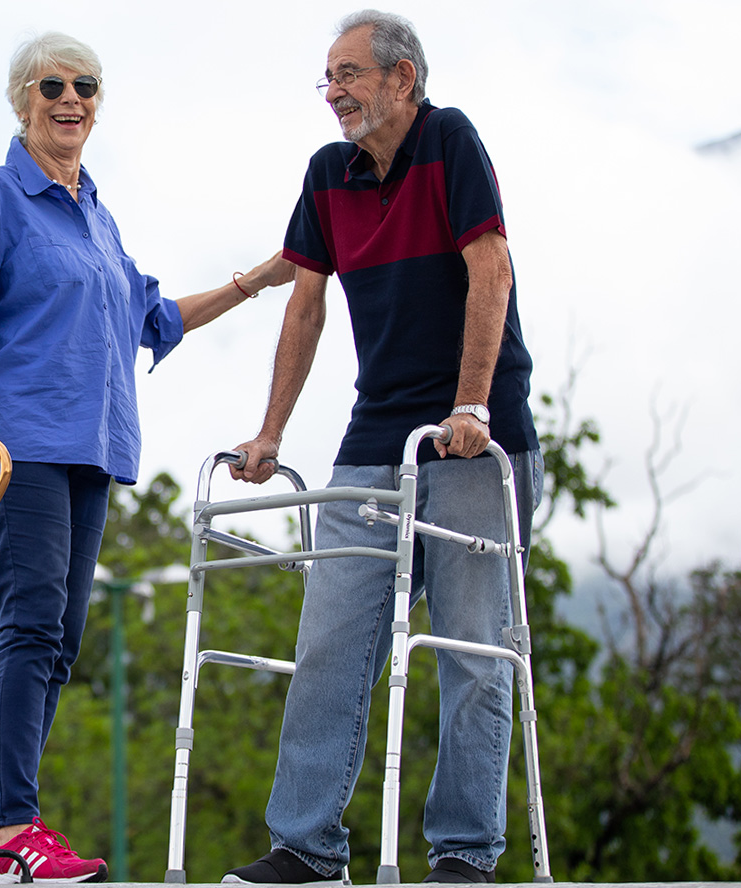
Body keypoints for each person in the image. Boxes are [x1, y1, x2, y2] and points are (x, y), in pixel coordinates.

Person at [0, 30, 295, 885]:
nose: (71, 99)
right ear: (23, 100)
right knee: (30, 627)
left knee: (62, 641)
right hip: (17, 442)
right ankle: (11, 828)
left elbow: (150, 316)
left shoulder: (96, 214)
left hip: (90, 450)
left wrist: (255, 280)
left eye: (85, 86)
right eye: (52, 85)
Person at [222, 10, 542, 885]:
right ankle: (305, 849)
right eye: (326, 78)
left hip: (476, 441)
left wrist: (469, 403)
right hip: (375, 435)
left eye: (348, 74)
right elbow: (305, 303)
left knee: (472, 651)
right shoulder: (328, 174)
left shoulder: (450, 142)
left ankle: (464, 857)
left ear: (402, 78)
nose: (332, 93)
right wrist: (271, 431)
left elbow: (492, 266)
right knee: (330, 637)